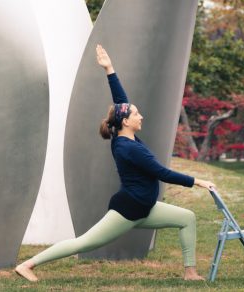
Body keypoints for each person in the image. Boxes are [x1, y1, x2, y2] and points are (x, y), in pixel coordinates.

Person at [15, 44, 215, 282]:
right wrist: (198, 181)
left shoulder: (125, 135)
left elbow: (121, 101)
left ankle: (190, 272)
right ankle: (28, 264)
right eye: (136, 114)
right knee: (84, 243)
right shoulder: (128, 148)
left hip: (145, 207)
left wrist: (109, 69)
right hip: (128, 211)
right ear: (126, 122)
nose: (141, 116)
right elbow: (162, 173)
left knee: (186, 218)